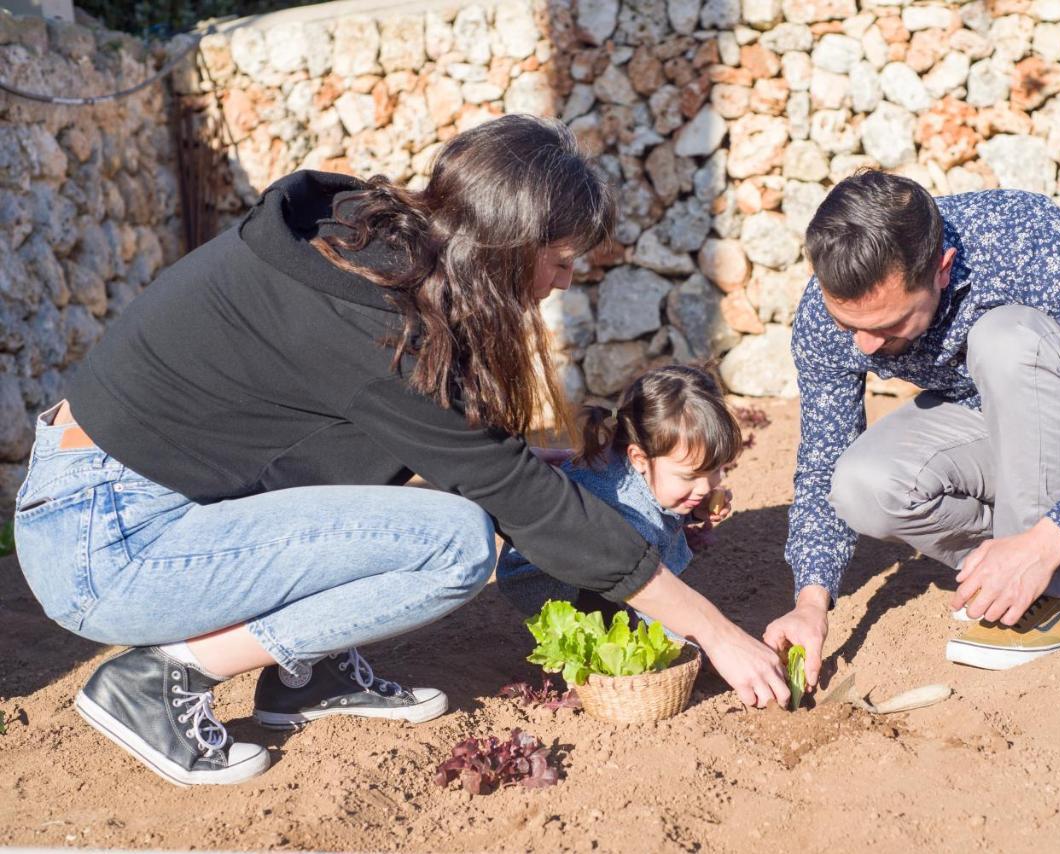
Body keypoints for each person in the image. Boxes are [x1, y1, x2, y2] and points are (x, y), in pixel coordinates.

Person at [13, 115, 790, 788]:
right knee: (453, 542)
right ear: (508, 243)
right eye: (558, 259)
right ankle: (162, 678)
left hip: (113, 501)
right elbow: (511, 492)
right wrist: (716, 631)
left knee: (438, 482)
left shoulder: (372, 250)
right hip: (104, 543)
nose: (563, 280)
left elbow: (444, 441)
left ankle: (302, 671)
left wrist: (512, 472)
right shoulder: (373, 320)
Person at [765, 170, 1060, 681]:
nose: (865, 346)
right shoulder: (824, 313)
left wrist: (1044, 544)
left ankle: (1050, 590)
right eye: (849, 325)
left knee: (1006, 338)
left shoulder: (1026, 237)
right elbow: (821, 459)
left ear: (942, 269)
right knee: (859, 483)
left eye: (888, 326)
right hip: (994, 423)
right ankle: (1009, 567)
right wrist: (811, 600)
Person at [497, 365, 738, 620]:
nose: (705, 487)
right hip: (541, 578)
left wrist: (692, 510)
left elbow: (658, 501)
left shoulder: (643, 463)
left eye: (715, 470)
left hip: (569, 559)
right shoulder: (629, 516)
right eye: (690, 476)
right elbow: (645, 588)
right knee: (625, 619)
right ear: (639, 458)